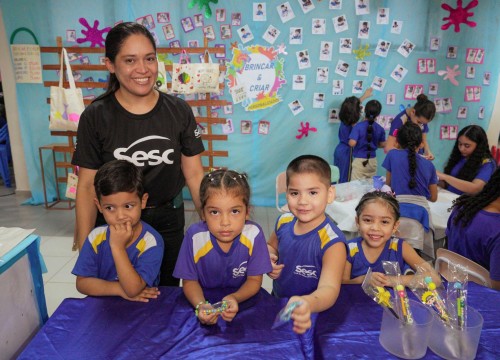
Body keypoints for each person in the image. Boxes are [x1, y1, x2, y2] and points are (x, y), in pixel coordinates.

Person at [71, 22, 205, 287]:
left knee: (164, 296)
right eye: (130, 60)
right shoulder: (96, 116)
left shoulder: (178, 111)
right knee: (117, 295)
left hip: (167, 220)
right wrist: (88, 241)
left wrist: (212, 223)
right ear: (110, 64)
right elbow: (87, 184)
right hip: (116, 221)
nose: (143, 69)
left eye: (149, 58)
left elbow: (194, 173)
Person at [173, 170, 272, 325]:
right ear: (203, 213)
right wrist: (200, 306)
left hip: (245, 300)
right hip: (201, 299)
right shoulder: (194, 236)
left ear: (247, 212)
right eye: (214, 212)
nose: (225, 222)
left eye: (234, 211)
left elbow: (254, 280)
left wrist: (235, 298)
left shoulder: (254, 234)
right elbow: (189, 282)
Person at [267, 155, 346, 334]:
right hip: (279, 302)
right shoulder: (283, 222)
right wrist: (268, 258)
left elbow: (330, 288)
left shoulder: (333, 242)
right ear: (287, 193)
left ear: (330, 194)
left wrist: (308, 304)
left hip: (312, 312)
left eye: (312, 192)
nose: (302, 201)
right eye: (295, 193)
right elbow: (271, 246)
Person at [72, 160, 164, 301]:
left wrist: (117, 247)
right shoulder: (96, 237)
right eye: (110, 208)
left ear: (143, 201)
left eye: (128, 206)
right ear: (99, 206)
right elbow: (82, 283)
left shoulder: (151, 241)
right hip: (102, 310)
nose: (120, 216)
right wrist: (119, 290)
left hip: (141, 311)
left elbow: (133, 289)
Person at [342, 191, 436, 286]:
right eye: (368, 220)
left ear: (395, 226)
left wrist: (392, 280)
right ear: (357, 222)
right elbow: (342, 283)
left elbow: (434, 278)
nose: (375, 228)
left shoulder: (400, 247)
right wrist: (363, 279)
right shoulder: (349, 249)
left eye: (384, 222)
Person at [446, 168, 500, 290]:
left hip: (451, 286)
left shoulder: (463, 208)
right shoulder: (497, 229)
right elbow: (497, 287)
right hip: (482, 296)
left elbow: (448, 242)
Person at [383, 122, 438, 201]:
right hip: (422, 210)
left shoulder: (392, 155)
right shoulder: (429, 165)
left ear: (397, 142)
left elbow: (388, 186)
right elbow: (433, 198)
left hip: (398, 207)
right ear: (421, 144)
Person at [437, 125, 496, 195]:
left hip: (466, 203)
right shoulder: (460, 156)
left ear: (479, 145)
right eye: (460, 144)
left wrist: (445, 177)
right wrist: (435, 179)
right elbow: (450, 184)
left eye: (467, 146)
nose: (461, 149)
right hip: (449, 196)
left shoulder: (487, 163)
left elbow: (476, 188)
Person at [333, 88, 373, 183]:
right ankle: (341, 196)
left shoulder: (345, 117)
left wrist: (364, 96)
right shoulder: (354, 125)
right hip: (346, 152)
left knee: (336, 176)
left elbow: (351, 105)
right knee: (344, 177)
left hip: (339, 150)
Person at [385, 94, 436, 160]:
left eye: (424, 123)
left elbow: (423, 141)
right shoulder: (399, 121)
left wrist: (428, 151)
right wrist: (412, 155)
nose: (420, 125)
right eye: (419, 122)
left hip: (417, 159)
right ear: (413, 112)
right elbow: (388, 147)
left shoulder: (422, 118)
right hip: (403, 161)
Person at [349, 100, 386, 180]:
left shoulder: (358, 126)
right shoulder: (380, 129)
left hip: (359, 161)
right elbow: (383, 144)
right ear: (378, 114)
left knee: (355, 187)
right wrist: (374, 144)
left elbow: (352, 143)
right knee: (370, 187)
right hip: (372, 161)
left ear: (365, 111)